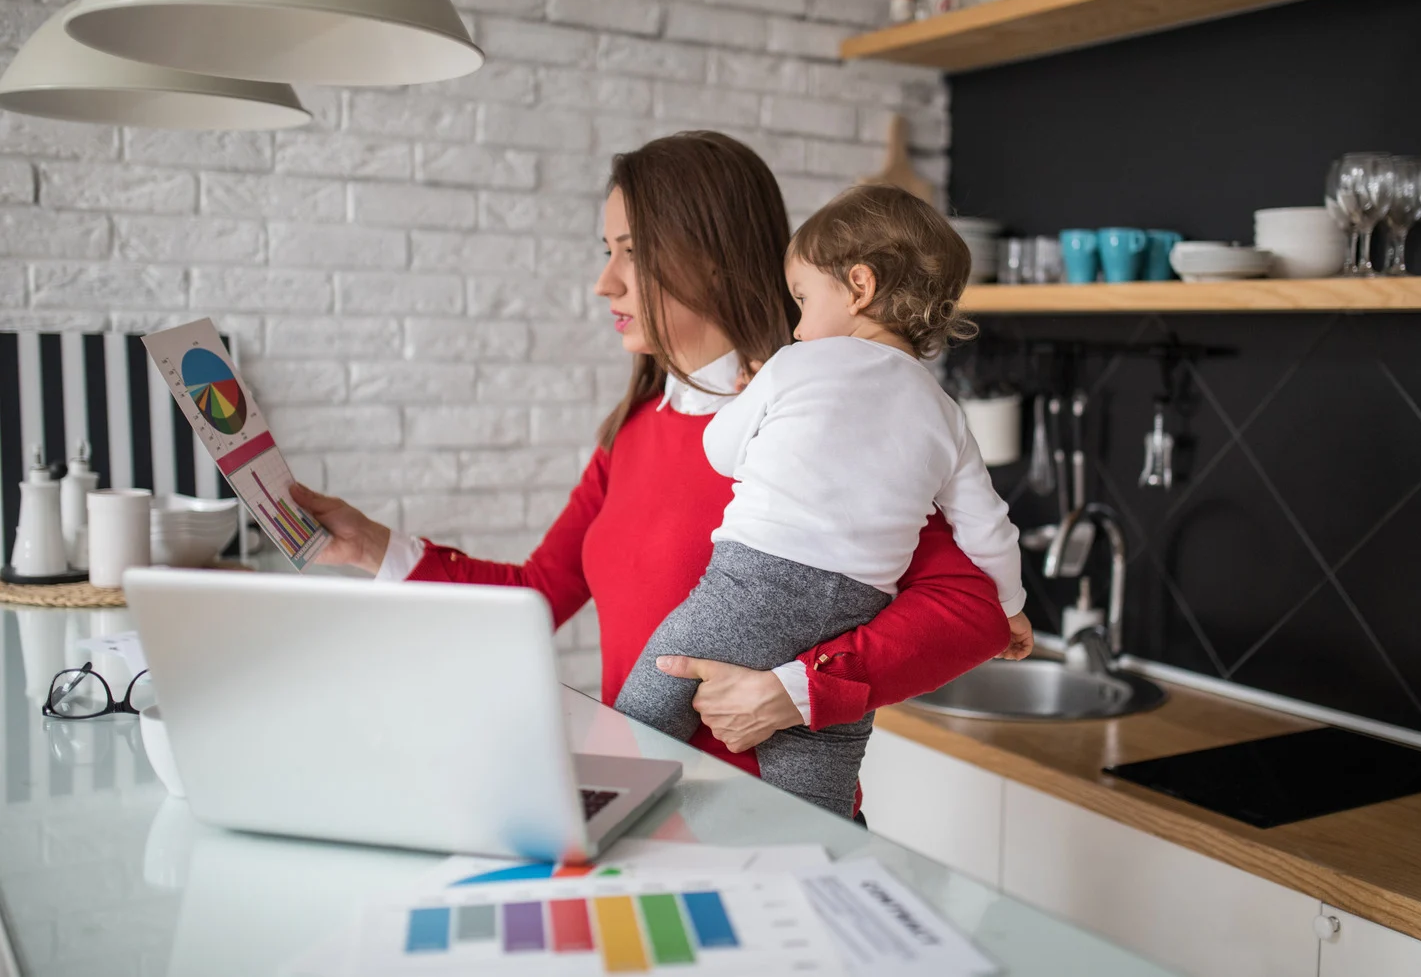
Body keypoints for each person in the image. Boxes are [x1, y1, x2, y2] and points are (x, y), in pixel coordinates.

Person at [291, 131, 1026, 817]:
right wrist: (367, 546)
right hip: (639, 817)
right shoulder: (634, 430)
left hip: (758, 831)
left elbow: (974, 610)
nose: (603, 282)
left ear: (710, 257)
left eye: (630, 251)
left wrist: (799, 691)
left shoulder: (825, 434)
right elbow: (535, 595)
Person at [613, 184, 1028, 817]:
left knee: (653, 693)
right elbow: (987, 527)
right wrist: (1011, 607)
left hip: (753, 586)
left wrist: (763, 421)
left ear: (859, 286)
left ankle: (601, 805)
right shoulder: (945, 414)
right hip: (854, 612)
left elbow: (719, 450)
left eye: (804, 300)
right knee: (817, 792)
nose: (800, 323)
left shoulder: (794, 365)